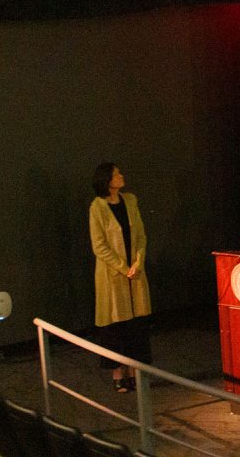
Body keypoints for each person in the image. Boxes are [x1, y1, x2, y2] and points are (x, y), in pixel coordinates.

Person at [89, 163, 152, 393]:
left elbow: (141, 235)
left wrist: (138, 263)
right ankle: (118, 373)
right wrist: (123, 268)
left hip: (135, 274)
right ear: (107, 180)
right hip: (113, 277)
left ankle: (135, 371)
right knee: (116, 326)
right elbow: (99, 246)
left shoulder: (131, 200)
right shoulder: (97, 207)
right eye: (116, 174)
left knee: (136, 325)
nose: (121, 176)